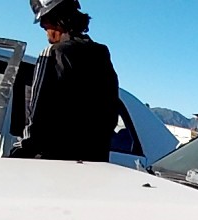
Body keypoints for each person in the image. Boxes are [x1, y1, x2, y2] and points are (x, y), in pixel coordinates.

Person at [10, 0, 119, 161]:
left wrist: (19, 151)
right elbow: (111, 113)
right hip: (94, 161)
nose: (45, 31)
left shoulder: (53, 53)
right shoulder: (101, 53)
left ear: (56, 20)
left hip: (53, 163)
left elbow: (38, 115)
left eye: (43, 24)